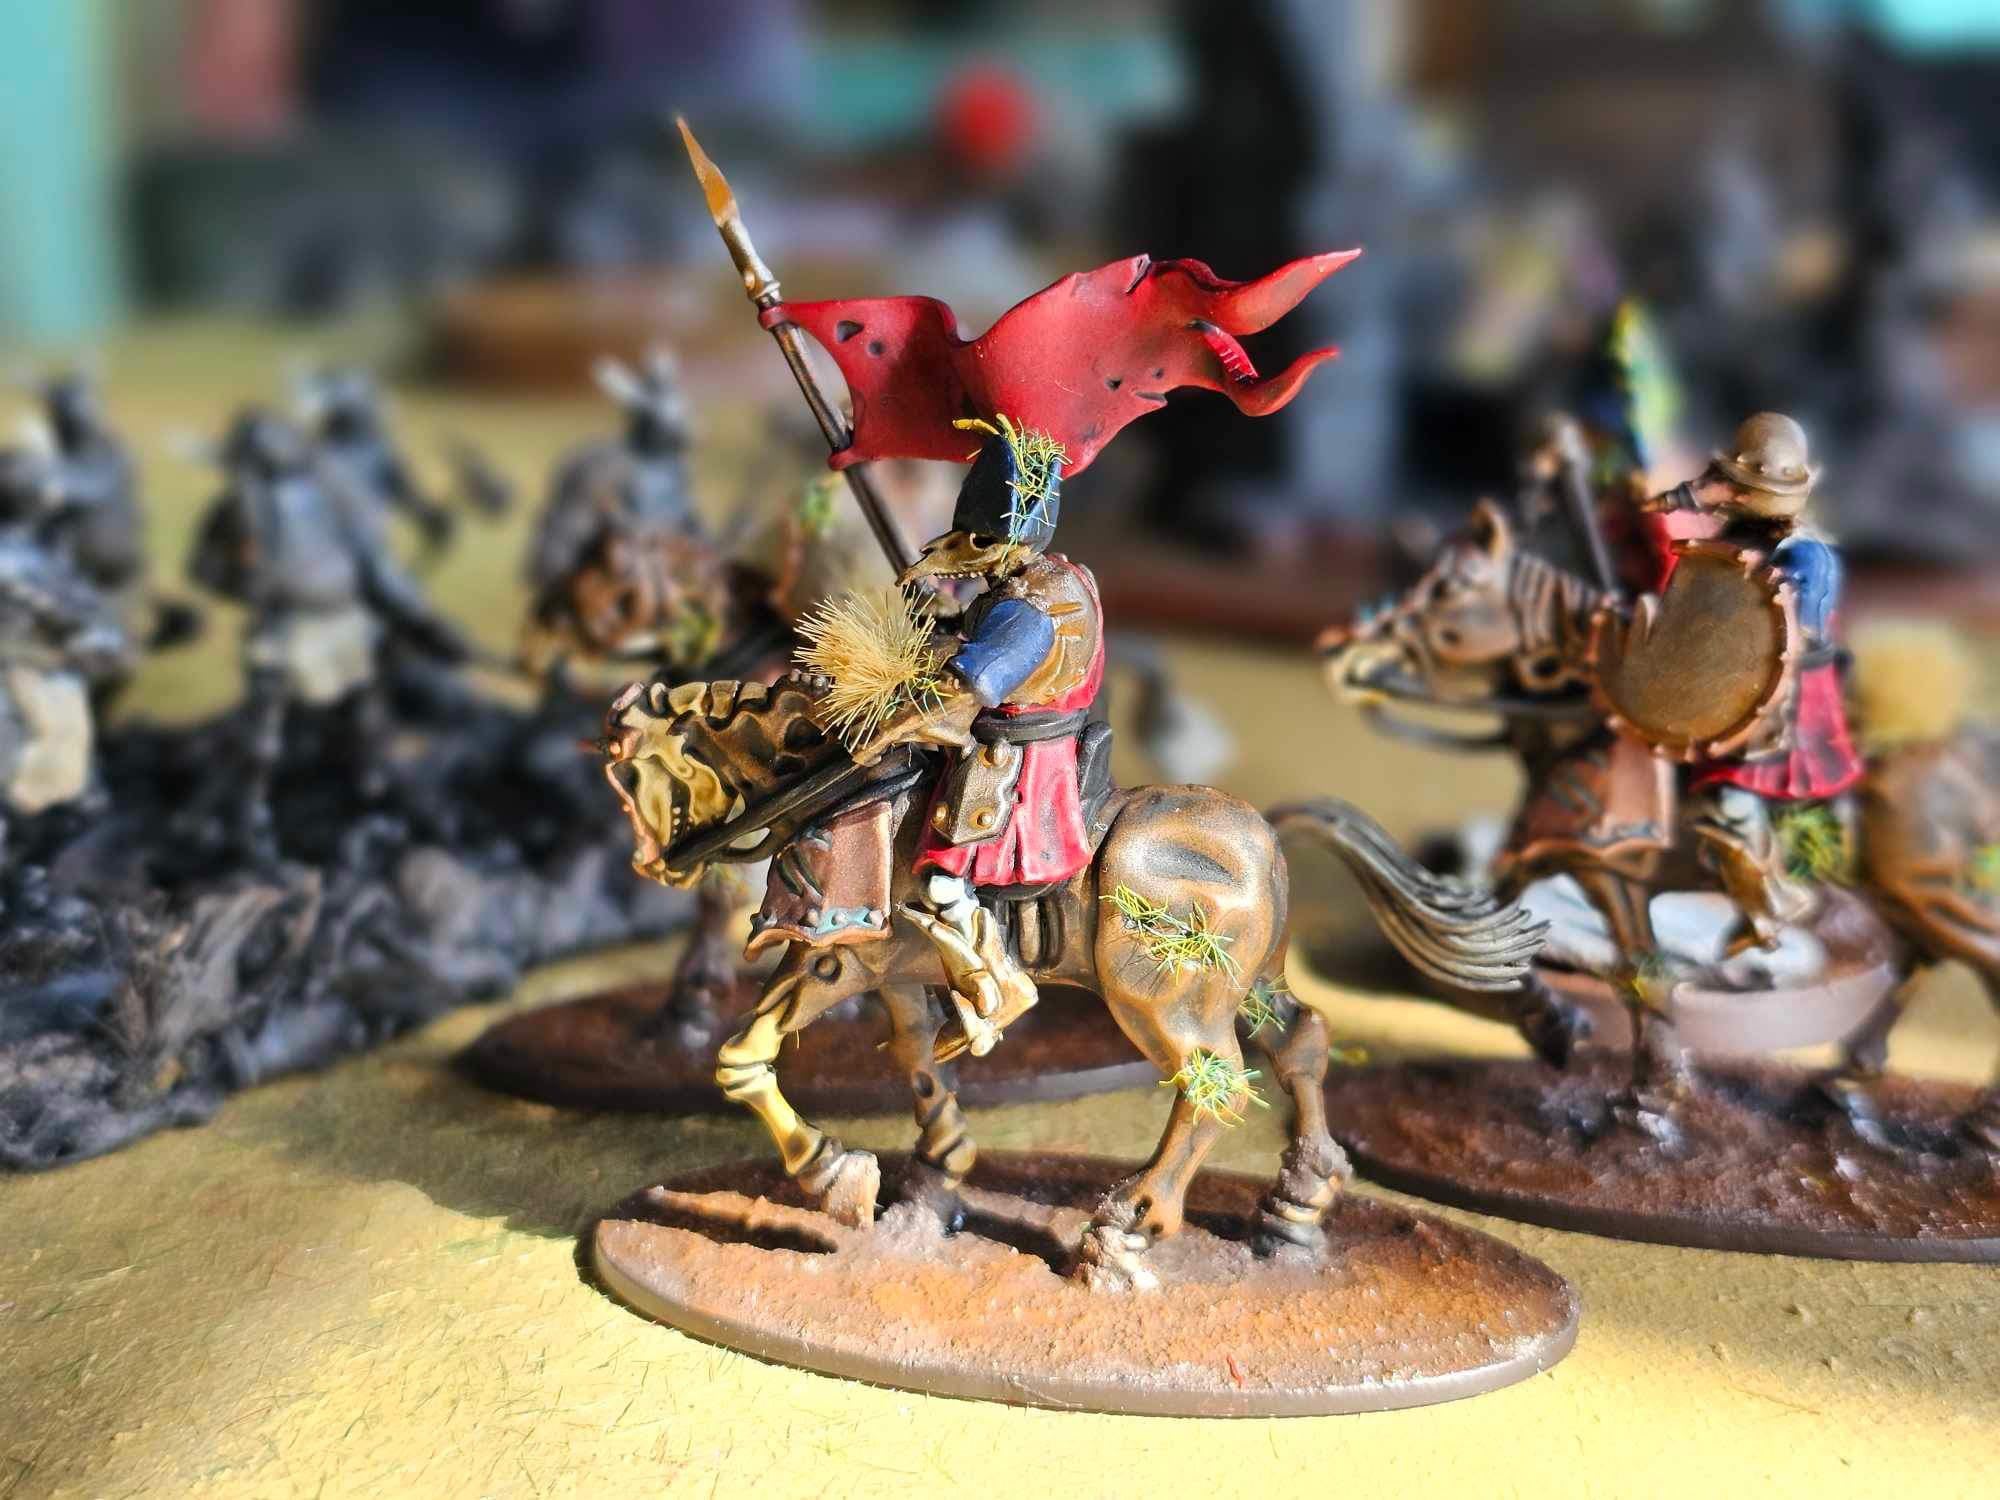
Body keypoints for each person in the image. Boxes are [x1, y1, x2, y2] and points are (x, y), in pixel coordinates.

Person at [1641, 412, 1863, 952]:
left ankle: (1768, 908)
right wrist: (1668, 500)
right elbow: (1690, 501)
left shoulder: (1806, 556)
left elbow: (1793, 637)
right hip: (1727, 693)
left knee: (1730, 806)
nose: (1727, 496)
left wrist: (1763, 585)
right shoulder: (1727, 542)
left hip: (1783, 701)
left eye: (1740, 490)